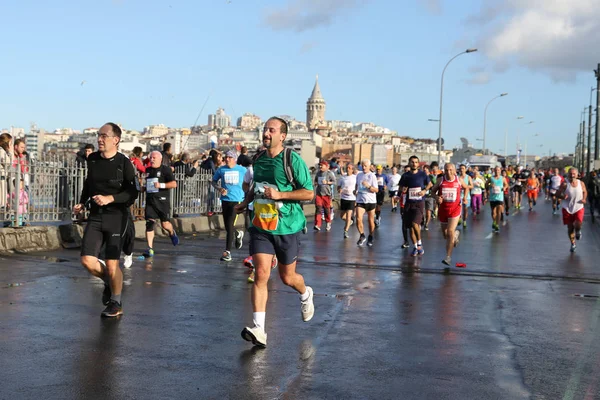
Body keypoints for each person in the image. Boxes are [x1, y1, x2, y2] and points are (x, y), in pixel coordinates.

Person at [234, 117, 314, 348]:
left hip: (287, 226)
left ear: (283, 136)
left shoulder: (292, 159)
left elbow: (308, 193)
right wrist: (244, 202)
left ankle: (305, 293)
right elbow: (256, 187)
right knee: (260, 274)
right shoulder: (257, 159)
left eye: (272, 130)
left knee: (287, 277)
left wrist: (280, 195)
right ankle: (259, 329)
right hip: (261, 224)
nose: (266, 133)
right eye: (265, 129)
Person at [73, 123, 139, 318]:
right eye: (98, 135)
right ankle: (110, 283)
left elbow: (133, 192)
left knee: (112, 265)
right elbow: (88, 184)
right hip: (96, 216)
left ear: (115, 140)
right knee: (87, 260)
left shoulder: (124, 163)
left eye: (103, 135)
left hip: (117, 217)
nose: (99, 139)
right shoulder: (92, 159)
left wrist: (111, 198)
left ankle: (116, 302)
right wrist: (82, 203)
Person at [143, 151, 179, 257]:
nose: (152, 160)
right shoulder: (148, 170)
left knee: (165, 224)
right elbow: (150, 185)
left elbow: (174, 184)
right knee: (149, 223)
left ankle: (172, 232)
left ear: (160, 159)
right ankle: (150, 248)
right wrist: (143, 188)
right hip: (150, 200)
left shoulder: (166, 170)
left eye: (154, 158)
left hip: (162, 201)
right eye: (150, 158)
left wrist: (161, 185)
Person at [212, 150, 247, 261]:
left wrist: (247, 196)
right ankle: (237, 234)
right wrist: (219, 188)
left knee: (230, 223)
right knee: (228, 227)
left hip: (237, 200)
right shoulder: (221, 169)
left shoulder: (242, 170)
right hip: (225, 200)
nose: (227, 159)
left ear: (234, 159)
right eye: (226, 157)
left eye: (229, 157)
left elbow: (250, 181)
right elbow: (213, 181)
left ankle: (227, 252)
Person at [431, 163, 469, 265]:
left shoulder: (458, 180)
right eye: (446, 170)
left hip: (455, 210)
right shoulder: (441, 181)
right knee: (445, 235)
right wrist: (436, 198)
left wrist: (465, 197)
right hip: (443, 210)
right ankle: (455, 237)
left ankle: (448, 257)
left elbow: (466, 188)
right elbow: (432, 192)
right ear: (444, 170)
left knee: (450, 231)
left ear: (454, 170)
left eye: (451, 170)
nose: (449, 172)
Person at [399, 156, 431, 256]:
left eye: (416, 162)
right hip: (408, 203)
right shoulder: (405, 176)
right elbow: (401, 187)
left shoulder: (422, 174)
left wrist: (424, 191)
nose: (414, 164)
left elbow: (430, 184)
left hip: (419, 203)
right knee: (410, 228)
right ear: (409, 163)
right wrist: (402, 190)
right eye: (412, 162)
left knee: (414, 223)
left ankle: (420, 244)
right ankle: (415, 247)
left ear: (418, 164)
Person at [556, 167, 587, 252]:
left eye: (574, 173)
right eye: (570, 173)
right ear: (568, 174)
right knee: (570, 228)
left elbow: (585, 191)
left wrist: (584, 199)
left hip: (579, 206)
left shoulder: (581, 183)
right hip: (567, 208)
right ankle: (573, 244)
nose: (572, 175)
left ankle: (578, 231)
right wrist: (562, 196)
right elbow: (557, 193)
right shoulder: (565, 183)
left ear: (577, 175)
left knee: (578, 223)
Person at [354, 159, 379, 246]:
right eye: (362, 166)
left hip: (370, 201)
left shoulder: (372, 176)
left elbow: (376, 190)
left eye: (365, 166)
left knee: (370, 220)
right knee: (358, 218)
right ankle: (362, 235)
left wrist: (368, 186)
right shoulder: (359, 175)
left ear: (369, 166)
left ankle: (371, 236)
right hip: (360, 200)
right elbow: (357, 184)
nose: (364, 167)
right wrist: (355, 190)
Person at [314, 160, 336, 231]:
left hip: (326, 194)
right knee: (318, 208)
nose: (320, 166)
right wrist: (315, 183)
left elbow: (335, 182)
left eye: (322, 165)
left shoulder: (329, 173)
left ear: (326, 166)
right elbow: (315, 180)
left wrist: (327, 182)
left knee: (327, 210)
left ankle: (328, 222)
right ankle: (317, 224)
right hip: (319, 194)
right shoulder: (318, 173)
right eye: (320, 165)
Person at [338, 163, 357, 238]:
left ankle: (345, 231)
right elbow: (339, 187)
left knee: (349, 216)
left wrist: (356, 192)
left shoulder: (355, 177)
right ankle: (350, 222)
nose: (347, 169)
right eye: (347, 167)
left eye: (349, 168)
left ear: (352, 170)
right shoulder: (343, 177)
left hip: (351, 199)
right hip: (344, 198)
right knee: (342, 216)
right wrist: (339, 189)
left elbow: (358, 186)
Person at [487, 166, 509, 233]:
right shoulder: (491, 178)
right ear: (494, 171)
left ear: (500, 171)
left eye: (498, 170)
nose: (497, 171)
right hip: (492, 197)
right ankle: (494, 221)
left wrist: (504, 188)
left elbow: (506, 185)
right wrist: (490, 185)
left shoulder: (503, 178)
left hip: (500, 197)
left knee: (499, 211)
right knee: (493, 212)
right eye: (496, 170)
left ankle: (497, 224)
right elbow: (486, 184)